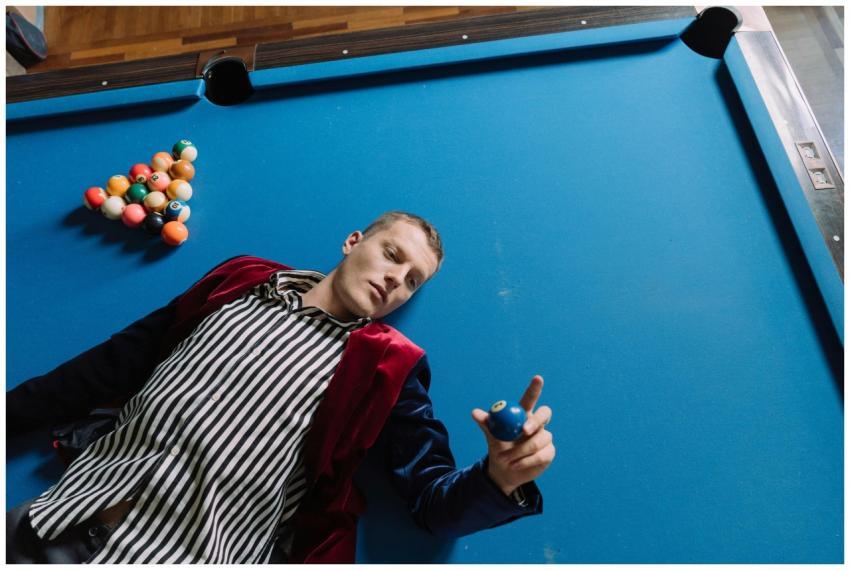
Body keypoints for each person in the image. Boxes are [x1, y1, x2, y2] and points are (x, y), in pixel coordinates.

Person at [6, 211, 555, 563]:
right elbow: (115, 364)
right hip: (52, 521)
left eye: (413, 280)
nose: (396, 279)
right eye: (393, 255)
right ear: (353, 241)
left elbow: (433, 502)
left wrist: (498, 479)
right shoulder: (240, 280)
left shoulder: (388, 367)